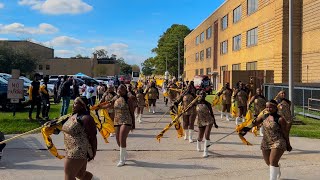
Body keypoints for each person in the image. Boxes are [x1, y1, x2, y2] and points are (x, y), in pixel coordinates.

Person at [240, 100, 292, 180]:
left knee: (272, 162)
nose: (268, 109)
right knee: (269, 162)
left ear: (276, 107)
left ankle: (273, 178)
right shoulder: (264, 116)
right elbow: (254, 123)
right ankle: (277, 168)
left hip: (278, 141)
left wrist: (288, 144)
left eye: (270, 107)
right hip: (266, 141)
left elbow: (285, 133)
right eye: (267, 107)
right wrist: (244, 129)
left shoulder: (280, 119)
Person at [62, 96, 98, 180]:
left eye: (76, 103)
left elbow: (93, 137)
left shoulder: (87, 118)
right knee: (80, 175)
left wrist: (93, 152)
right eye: (73, 103)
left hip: (78, 151)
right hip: (69, 148)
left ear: (83, 105)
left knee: (69, 176)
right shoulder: (73, 116)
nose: (73, 105)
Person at [100, 84, 136, 167]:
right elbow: (109, 105)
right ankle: (124, 152)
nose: (119, 90)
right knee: (117, 140)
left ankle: (121, 160)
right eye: (118, 89)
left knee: (122, 138)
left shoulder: (128, 99)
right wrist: (98, 107)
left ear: (125, 90)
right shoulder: (115, 98)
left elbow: (132, 112)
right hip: (117, 120)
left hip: (126, 120)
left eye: (121, 89)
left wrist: (133, 124)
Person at [195, 91, 218, 157]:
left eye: (203, 94)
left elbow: (212, 114)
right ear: (199, 95)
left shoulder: (208, 104)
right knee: (200, 137)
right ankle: (198, 142)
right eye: (201, 94)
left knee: (207, 135)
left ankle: (206, 151)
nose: (202, 95)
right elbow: (187, 108)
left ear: (205, 96)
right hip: (200, 121)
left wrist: (215, 123)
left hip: (209, 121)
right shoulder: (196, 103)